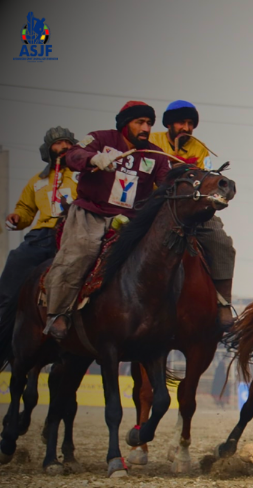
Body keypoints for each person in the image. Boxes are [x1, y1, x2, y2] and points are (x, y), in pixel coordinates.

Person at [42, 101, 171, 339]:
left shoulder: (156, 155)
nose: (146, 128)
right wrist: (93, 159)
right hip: (91, 212)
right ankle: (57, 313)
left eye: (149, 123)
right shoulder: (100, 139)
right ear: (125, 124)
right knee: (82, 251)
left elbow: (167, 183)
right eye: (140, 122)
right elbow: (73, 154)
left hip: (129, 220)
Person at [150, 100, 237, 329]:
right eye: (181, 122)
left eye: (190, 124)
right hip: (155, 207)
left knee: (222, 243)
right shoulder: (152, 142)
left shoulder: (200, 149)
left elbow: (205, 180)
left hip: (191, 208)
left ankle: (223, 303)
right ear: (169, 123)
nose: (186, 128)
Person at [0, 127, 78, 320]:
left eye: (68, 143)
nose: (64, 146)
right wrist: (18, 217)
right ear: (48, 149)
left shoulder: (83, 176)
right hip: (40, 236)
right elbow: (25, 208)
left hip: (73, 233)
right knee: (16, 261)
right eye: (58, 143)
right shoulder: (37, 181)